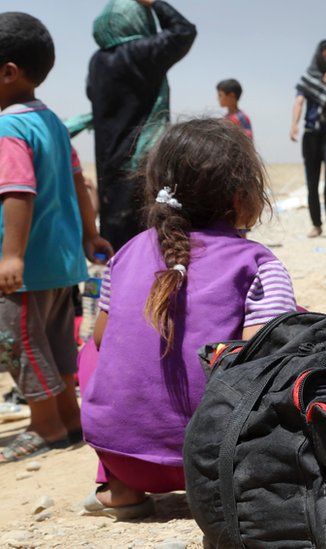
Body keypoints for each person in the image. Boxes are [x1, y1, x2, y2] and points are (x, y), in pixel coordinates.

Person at [80, 118, 296, 518]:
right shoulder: (256, 263)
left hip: (122, 453)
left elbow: (99, 338)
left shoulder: (125, 253)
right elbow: (262, 364)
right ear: (241, 195)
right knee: (284, 342)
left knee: (93, 351)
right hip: (215, 462)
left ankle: (120, 489)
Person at [0, 12, 113, 462]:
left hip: (24, 269)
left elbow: (17, 193)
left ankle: (44, 426)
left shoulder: (9, 127)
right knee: (55, 341)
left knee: (19, 342)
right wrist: (90, 234)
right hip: (61, 262)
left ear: (8, 72)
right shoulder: (52, 122)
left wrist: (10, 256)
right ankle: (68, 418)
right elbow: (78, 179)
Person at [87, 0, 197, 250]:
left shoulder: (97, 61)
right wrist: (155, 3)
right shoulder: (142, 53)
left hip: (110, 164)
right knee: (147, 239)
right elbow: (183, 31)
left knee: (118, 240)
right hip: (142, 162)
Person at [291, 40, 326, 239]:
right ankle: (316, 225)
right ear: (319, 55)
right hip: (311, 134)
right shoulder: (309, 76)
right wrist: (294, 124)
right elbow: (299, 101)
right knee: (312, 181)